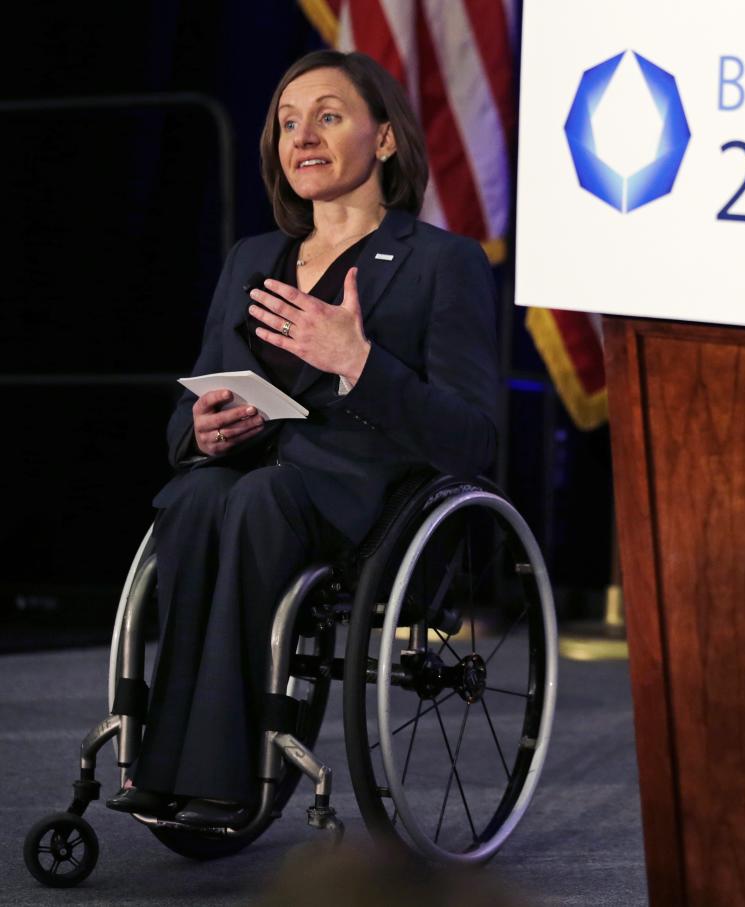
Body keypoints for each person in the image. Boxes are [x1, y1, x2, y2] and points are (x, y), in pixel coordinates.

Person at [104, 49, 499, 827]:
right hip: (249, 479)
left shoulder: (441, 264)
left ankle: (223, 776)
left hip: (365, 507)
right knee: (191, 495)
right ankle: (163, 764)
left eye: (328, 116)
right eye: (288, 122)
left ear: (384, 140)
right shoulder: (253, 259)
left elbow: (473, 436)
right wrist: (201, 428)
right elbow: (193, 400)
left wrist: (360, 363)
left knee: (258, 501)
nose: (303, 136)